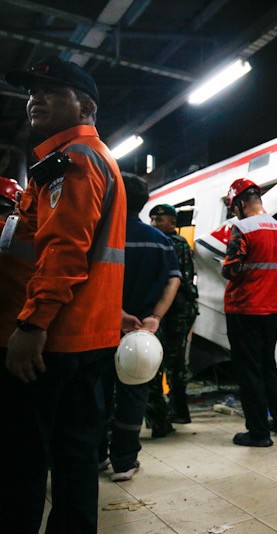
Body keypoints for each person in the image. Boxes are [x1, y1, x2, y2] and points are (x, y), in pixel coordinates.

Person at [0, 56, 126, 534]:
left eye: (50, 91)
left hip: (54, 339)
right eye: (32, 91)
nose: (35, 98)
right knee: (75, 457)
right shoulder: (94, 160)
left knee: (21, 461)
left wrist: (31, 325)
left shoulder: (71, 161)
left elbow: (65, 251)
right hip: (88, 336)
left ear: (86, 105)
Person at [98, 173, 181, 482]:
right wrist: (156, 316)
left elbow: (94, 279)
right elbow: (174, 278)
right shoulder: (160, 240)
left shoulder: (104, 235)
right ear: (145, 203)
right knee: (134, 394)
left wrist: (117, 312)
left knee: (100, 391)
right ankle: (124, 461)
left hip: (104, 327)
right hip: (142, 335)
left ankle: (97, 455)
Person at [223, 178, 277, 447]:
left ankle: (258, 433)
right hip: (272, 309)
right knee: (268, 365)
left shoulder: (242, 228)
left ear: (240, 204)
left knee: (249, 371)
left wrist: (223, 266)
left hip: (245, 309)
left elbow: (231, 269)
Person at [147, 203, 199, 424]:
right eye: (153, 220)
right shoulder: (160, 241)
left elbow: (179, 281)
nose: (154, 224)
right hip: (167, 310)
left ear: (173, 223)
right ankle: (167, 412)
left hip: (176, 310)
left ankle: (175, 411)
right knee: (163, 360)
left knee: (173, 360)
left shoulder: (176, 243)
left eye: (159, 220)